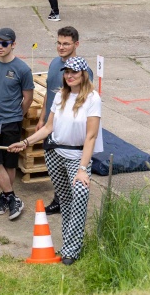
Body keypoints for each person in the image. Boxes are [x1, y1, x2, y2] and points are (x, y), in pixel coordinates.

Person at [8, 56, 103, 265]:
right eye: (66, 72)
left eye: (74, 72)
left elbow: (91, 137)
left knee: (79, 195)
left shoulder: (93, 99)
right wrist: (25, 143)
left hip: (77, 158)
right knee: (66, 201)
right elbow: (48, 128)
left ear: (83, 74)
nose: (69, 76)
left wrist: (82, 169)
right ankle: (69, 246)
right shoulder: (60, 96)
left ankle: (71, 250)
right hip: (54, 154)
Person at [37, 26, 93, 215]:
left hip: (69, 128)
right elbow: (49, 90)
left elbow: (86, 102)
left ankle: (67, 202)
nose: (61, 47)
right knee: (55, 164)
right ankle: (59, 198)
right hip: (52, 122)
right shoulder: (54, 64)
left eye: (66, 44)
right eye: (59, 43)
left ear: (76, 44)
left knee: (69, 165)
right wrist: (42, 117)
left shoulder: (83, 71)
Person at [0, 28, 34, 220]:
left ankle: (5, 198)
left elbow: (28, 97)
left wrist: (16, 115)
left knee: (9, 164)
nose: (0, 47)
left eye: (4, 43)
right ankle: (11, 197)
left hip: (11, 122)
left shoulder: (22, 69)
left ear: (13, 44)